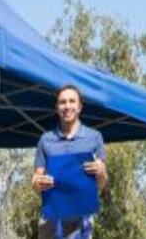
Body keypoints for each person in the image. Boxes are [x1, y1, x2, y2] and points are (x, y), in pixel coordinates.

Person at [31, 85, 107, 239]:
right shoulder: (46, 139)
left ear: (79, 107)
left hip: (82, 221)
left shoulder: (94, 137)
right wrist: (38, 183)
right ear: (57, 107)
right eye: (62, 102)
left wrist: (102, 173)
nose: (67, 106)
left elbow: (101, 184)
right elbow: (35, 183)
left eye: (72, 101)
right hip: (51, 221)